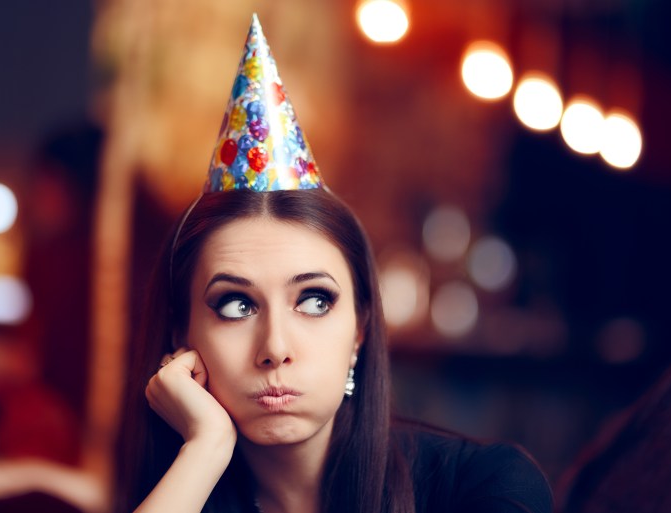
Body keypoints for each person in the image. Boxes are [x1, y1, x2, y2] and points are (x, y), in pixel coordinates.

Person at [116, 14, 552, 513]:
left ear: (361, 328)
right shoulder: (183, 491)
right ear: (182, 336)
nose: (275, 348)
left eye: (315, 300)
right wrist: (204, 449)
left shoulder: (484, 488)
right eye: (236, 305)